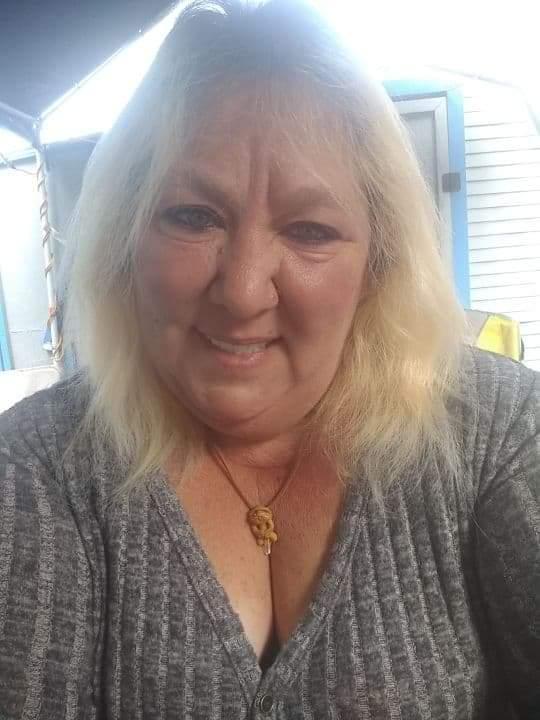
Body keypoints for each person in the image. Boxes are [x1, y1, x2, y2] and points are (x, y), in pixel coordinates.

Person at [0, 1, 538, 718]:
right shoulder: (37, 466)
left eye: (310, 230)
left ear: (378, 263)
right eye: (193, 216)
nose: (244, 291)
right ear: (126, 238)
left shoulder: (499, 432)